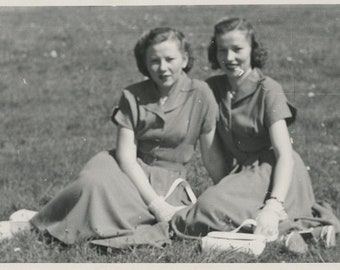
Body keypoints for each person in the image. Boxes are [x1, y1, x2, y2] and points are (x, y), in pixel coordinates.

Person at [0, 27, 224, 245]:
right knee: (92, 183)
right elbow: (126, 158)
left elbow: (211, 157)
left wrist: (225, 197)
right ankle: (32, 225)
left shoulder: (201, 93)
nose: (162, 67)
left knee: (126, 214)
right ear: (145, 64)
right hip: (127, 169)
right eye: (154, 61)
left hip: (168, 182)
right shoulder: (132, 95)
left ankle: (43, 220)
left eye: (170, 59)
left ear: (184, 60)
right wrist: (155, 204)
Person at [171, 17, 340, 253]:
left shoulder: (269, 89)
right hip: (245, 176)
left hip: (277, 174)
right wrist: (227, 191)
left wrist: (272, 205)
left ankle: (281, 228)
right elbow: (211, 154)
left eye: (237, 49)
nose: (229, 58)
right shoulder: (210, 89)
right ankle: (295, 237)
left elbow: (285, 155)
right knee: (205, 210)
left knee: (198, 215)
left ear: (253, 50)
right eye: (222, 50)